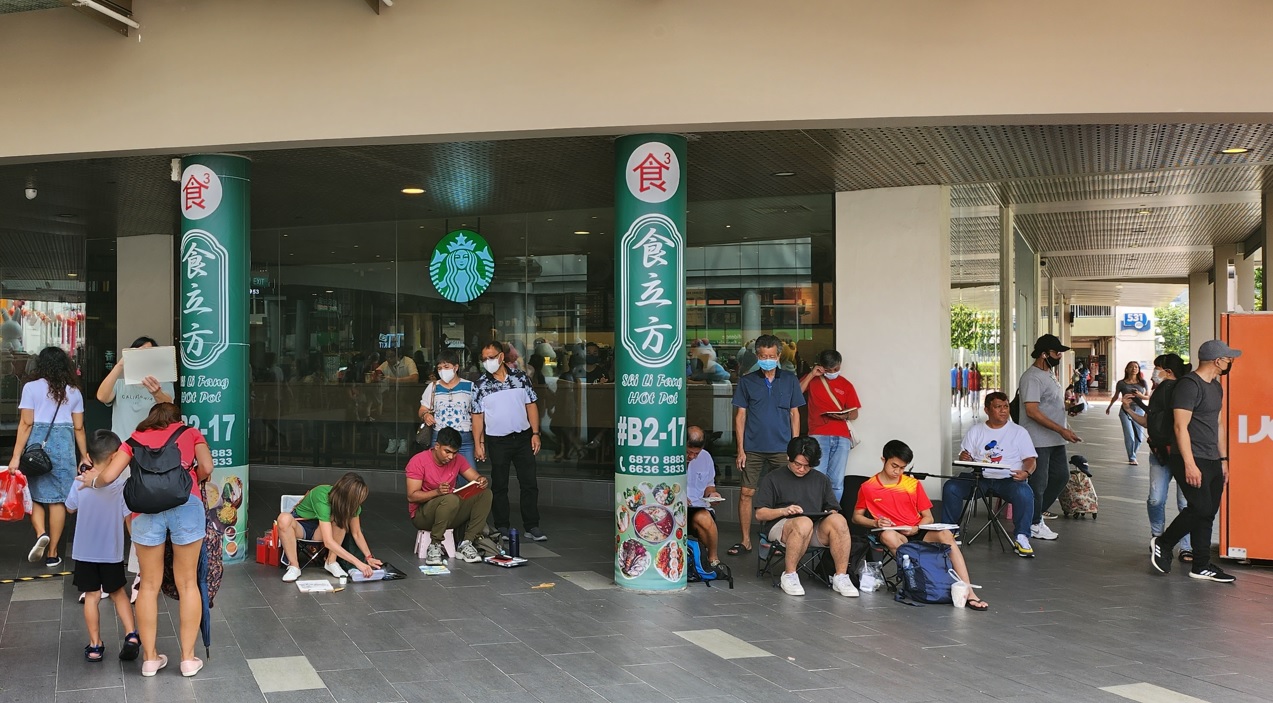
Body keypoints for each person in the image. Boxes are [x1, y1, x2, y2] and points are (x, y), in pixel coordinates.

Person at [76, 402, 211, 677]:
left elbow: (109, 476)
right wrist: (192, 477)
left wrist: (91, 481)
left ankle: (150, 659)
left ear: (150, 418)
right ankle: (187, 659)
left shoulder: (134, 438)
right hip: (186, 503)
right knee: (187, 583)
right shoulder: (190, 432)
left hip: (145, 509)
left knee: (148, 585)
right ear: (175, 418)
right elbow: (207, 466)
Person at [853, 440, 988, 610]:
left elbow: (928, 518)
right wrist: (875, 522)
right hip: (893, 532)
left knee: (946, 534)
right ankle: (926, 582)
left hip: (916, 529)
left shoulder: (912, 484)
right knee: (888, 535)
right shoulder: (868, 487)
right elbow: (856, 517)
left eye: (902, 468)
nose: (898, 471)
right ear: (883, 460)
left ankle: (968, 590)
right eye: (894, 466)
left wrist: (916, 528)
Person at [1151, 340, 1240, 583]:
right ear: (1217, 360)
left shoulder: (1216, 387)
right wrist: (1189, 464)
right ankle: (1164, 542)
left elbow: (1218, 424)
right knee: (1199, 507)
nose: (1231, 361)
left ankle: (1201, 565)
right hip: (1189, 457)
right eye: (1228, 358)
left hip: (1212, 457)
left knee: (1208, 512)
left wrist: (1223, 459)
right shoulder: (1189, 386)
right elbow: (1180, 427)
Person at [8, 346, 87, 568]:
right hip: (64, 447)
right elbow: (79, 428)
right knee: (58, 500)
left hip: (37, 448)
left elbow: (26, 423)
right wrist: (85, 456)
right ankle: (53, 553)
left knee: (34, 495)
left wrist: (16, 456)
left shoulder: (31, 388)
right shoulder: (74, 391)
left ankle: (41, 533)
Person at [65, 430, 140, 663]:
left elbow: (69, 508)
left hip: (85, 552)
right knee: (119, 594)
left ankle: (95, 645)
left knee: (91, 596)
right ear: (115, 458)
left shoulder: (80, 482)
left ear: (88, 455)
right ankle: (131, 635)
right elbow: (129, 519)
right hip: (111, 552)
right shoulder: (119, 486)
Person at [752, 435, 858, 598]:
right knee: (803, 522)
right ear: (789, 457)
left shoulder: (821, 479)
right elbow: (760, 514)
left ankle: (841, 576)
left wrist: (831, 514)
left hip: (812, 526)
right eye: (797, 464)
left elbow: (832, 508)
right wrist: (784, 511)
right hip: (781, 525)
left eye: (807, 466)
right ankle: (789, 575)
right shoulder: (773, 478)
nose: (801, 469)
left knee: (839, 521)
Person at [729, 334, 805, 556]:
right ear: (757, 356)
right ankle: (745, 541)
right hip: (752, 447)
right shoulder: (747, 381)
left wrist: (795, 448)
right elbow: (740, 417)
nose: (768, 359)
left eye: (771, 356)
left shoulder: (790, 380)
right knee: (746, 492)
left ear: (779, 355)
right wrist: (740, 449)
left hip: (783, 448)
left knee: (785, 495)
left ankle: (782, 541)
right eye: (763, 356)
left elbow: (795, 414)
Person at [940, 392, 1038, 558]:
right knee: (951, 487)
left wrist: (1026, 472)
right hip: (980, 478)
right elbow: (965, 456)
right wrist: (965, 457)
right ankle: (949, 532)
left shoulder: (1019, 432)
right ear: (987, 410)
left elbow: (1030, 459)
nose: (1003, 410)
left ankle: (1022, 537)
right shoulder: (976, 430)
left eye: (1006, 406)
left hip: (1009, 480)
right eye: (998, 407)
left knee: (1025, 492)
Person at [472, 341, 547, 542]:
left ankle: (532, 525)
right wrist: (479, 443)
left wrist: (536, 433)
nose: (487, 362)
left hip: (523, 437)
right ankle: (502, 525)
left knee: (529, 482)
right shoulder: (480, 385)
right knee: (499, 485)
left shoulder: (521, 379)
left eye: (491, 357)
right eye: (484, 359)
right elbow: (477, 417)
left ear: (502, 357)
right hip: (497, 440)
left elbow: (531, 406)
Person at [1123, 354, 1193, 562]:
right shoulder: (1157, 392)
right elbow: (1147, 422)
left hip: (1183, 454)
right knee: (1156, 499)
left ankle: (1186, 546)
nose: (1154, 372)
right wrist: (1128, 409)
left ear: (1168, 371)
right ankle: (1158, 538)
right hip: (1160, 453)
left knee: (1186, 503)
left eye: (1158, 368)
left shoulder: (1185, 392)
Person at [1019, 334, 1080, 542]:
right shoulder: (1032, 377)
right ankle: (1033, 522)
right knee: (1039, 483)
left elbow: (1049, 404)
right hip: (1038, 440)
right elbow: (1032, 411)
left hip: (1055, 438)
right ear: (1044, 354)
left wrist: (1067, 411)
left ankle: (1032, 515)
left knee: (1061, 476)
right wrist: (1061, 430)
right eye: (1056, 353)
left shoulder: (1050, 374)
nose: (1060, 356)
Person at [406, 427, 492, 566]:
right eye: (447, 452)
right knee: (451, 499)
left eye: (454, 453)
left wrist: (482, 480)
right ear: (437, 446)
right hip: (422, 516)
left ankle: (466, 543)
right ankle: (434, 546)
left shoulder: (458, 459)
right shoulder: (418, 461)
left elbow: (475, 478)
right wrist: (437, 492)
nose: (451, 457)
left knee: (485, 493)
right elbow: (411, 497)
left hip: (450, 511)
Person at [279, 472, 382, 582]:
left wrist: (369, 557)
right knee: (284, 518)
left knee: (341, 521)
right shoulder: (322, 496)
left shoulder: (353, 506)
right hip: (301, 527)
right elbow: (328, 542)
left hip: (320, 531)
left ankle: (331, 562)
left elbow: (357, 533)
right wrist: (358, 563)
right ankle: (294, 566)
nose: (358, 503)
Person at [799, 349, 861, 502]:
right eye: (829, 370)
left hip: (842, 436)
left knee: (837, 483)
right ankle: (816, 516)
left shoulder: (846, 384)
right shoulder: (812, 380)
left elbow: (854, 413)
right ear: (821, 367)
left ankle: (831, 515)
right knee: (816, 478)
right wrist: (812, 374)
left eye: (836, 369)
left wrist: (844, 416)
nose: (833, 372)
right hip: (818, 434)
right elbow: (796, 392)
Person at [96, 336, 175, 439]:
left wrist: (157, 393)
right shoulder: (120, 384)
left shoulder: (164, 384)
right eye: (138, 353)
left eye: (148, 354)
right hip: (122, 447)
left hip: (149, 447)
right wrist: (120, 365)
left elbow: (167, 406)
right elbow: (102, 397)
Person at [420, 350, 477, 469]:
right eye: (439, 368)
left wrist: (479, 443)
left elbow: (477, 416)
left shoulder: (470, 386)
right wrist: (425, 415)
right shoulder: (433, 387)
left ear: (456, 367)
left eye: (446, 367)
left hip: (464, 438)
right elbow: (423, 408)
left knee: (468, 479)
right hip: (440, 437)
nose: (442, 371)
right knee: (440, 476)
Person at [685, 426, 723, 567]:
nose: (692, 457)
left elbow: (709, 484)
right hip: (675, 507)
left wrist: (711, 494)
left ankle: (712, 559)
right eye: (689, 452)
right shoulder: (671, 457)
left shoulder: (706, 457)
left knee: (704, 518)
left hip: (698, 506)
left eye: (696, 454)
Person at [377, 347, 420, 454]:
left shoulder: (408, 362)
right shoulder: (386, 364)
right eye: (387, 357)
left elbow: (415, 378)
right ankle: (392, 438)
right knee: (385, 417)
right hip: (390, 396)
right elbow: (377, 372)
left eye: (391, 357)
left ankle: (404, 439)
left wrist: (395, 380)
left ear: (399, 356)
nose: (389, 359)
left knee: (404, 417)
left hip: (407, 396)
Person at [1105, 361, 1149, 465]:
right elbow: (1116, 396)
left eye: (1136, 367)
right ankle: (1132, 457)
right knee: (1129, 434)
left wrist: (1140, 395)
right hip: (1125, 410)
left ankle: (1133, 452)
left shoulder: (1142, 382)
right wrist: (1109, 406)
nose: (1134, 369)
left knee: (1139, 437)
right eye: (1131, 367)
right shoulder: (1121, 383)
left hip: (1139, 410)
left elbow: (1148, 396)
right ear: (1127, 369)